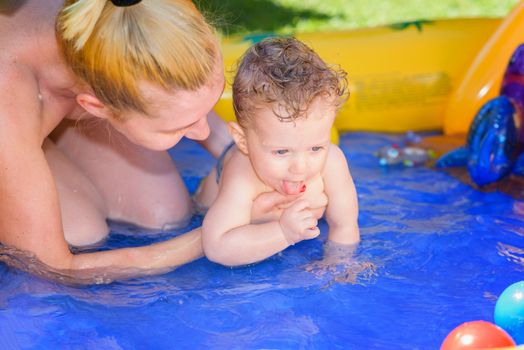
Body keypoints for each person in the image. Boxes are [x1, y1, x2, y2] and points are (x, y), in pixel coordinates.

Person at [0, 0, 286, 283]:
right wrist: (221, 230)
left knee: (164, 215)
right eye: (178, 127)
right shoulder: (8, 103)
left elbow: (179, 97)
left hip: (48, 95)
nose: (202, 133)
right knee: (79, 232)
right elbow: (55, 267)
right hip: (14, 122)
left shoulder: (151, 13)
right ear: (97, 107)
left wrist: (247, 156)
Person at [198, 37, 360, 266]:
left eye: (315, 147)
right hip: (206, 203)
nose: (301, 167)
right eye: (282, 151)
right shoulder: (241, 174)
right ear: (242, 141)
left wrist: (337, 265)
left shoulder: (332, 162)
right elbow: (217, 247)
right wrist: (283, 232)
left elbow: (345, 225)